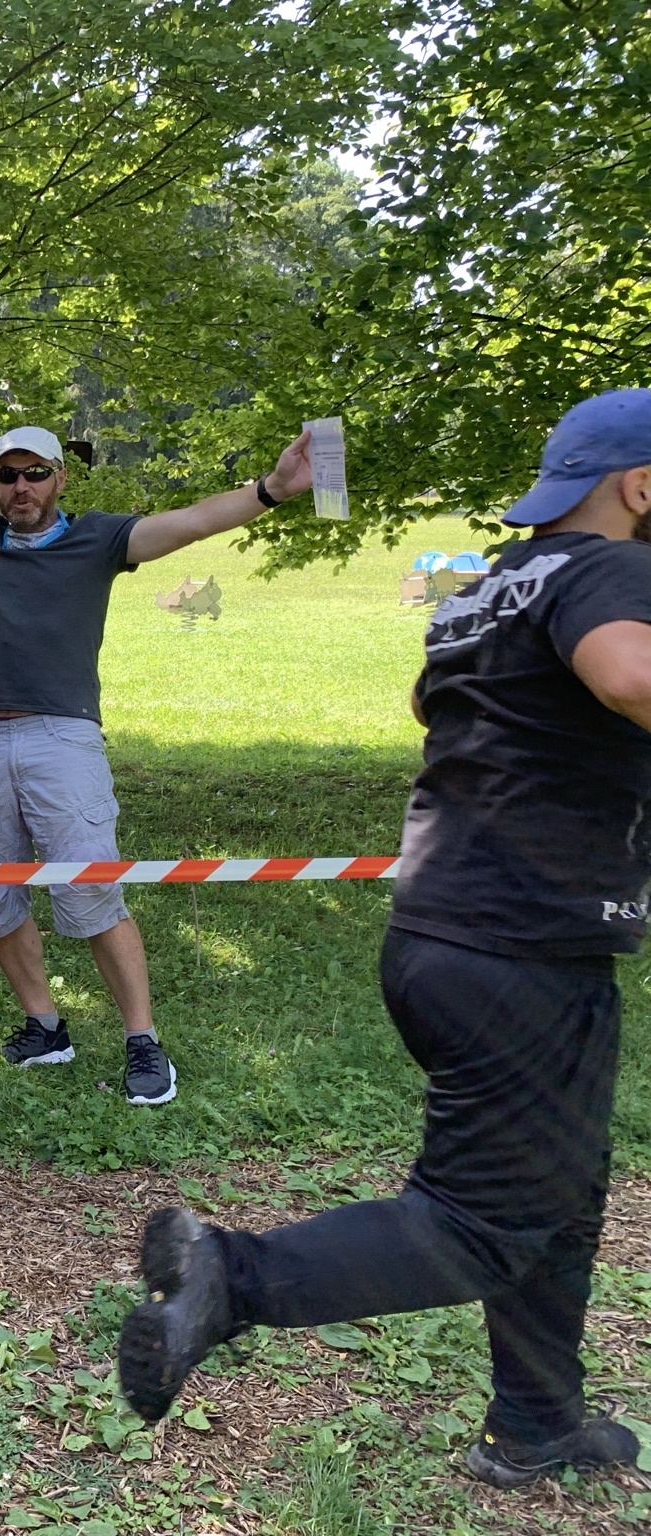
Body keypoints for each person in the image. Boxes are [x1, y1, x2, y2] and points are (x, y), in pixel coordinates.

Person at [119, 389, 651, 1490]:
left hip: (441, 932)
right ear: (639, 488)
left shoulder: (491, 585)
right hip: (520, 947)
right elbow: (627, 676)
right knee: (482, 1223)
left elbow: (429, 702)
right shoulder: (609, 572)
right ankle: (229, 1278)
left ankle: (537, 1422)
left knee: (561, 1193)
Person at [0, 362, 312, 1106]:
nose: (20, 487)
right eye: (8, 476)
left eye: (35, 473)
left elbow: (191, 521)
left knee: (91, 891)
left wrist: (271, 489)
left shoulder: (100, 539)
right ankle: (45, 1025)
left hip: (65, 739)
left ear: (60, 477)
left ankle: (143, 1041)